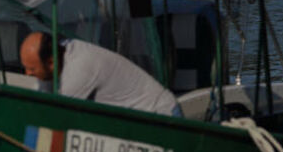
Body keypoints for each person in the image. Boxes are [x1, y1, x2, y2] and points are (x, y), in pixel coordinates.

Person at [19, 32, 181, 116]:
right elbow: (39, 100)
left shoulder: (79, 69)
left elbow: (58, 118)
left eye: (32, 69)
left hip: (160, 115)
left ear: (51, 63)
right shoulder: (58, 55)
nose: (27, 73)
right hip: (138, 122)